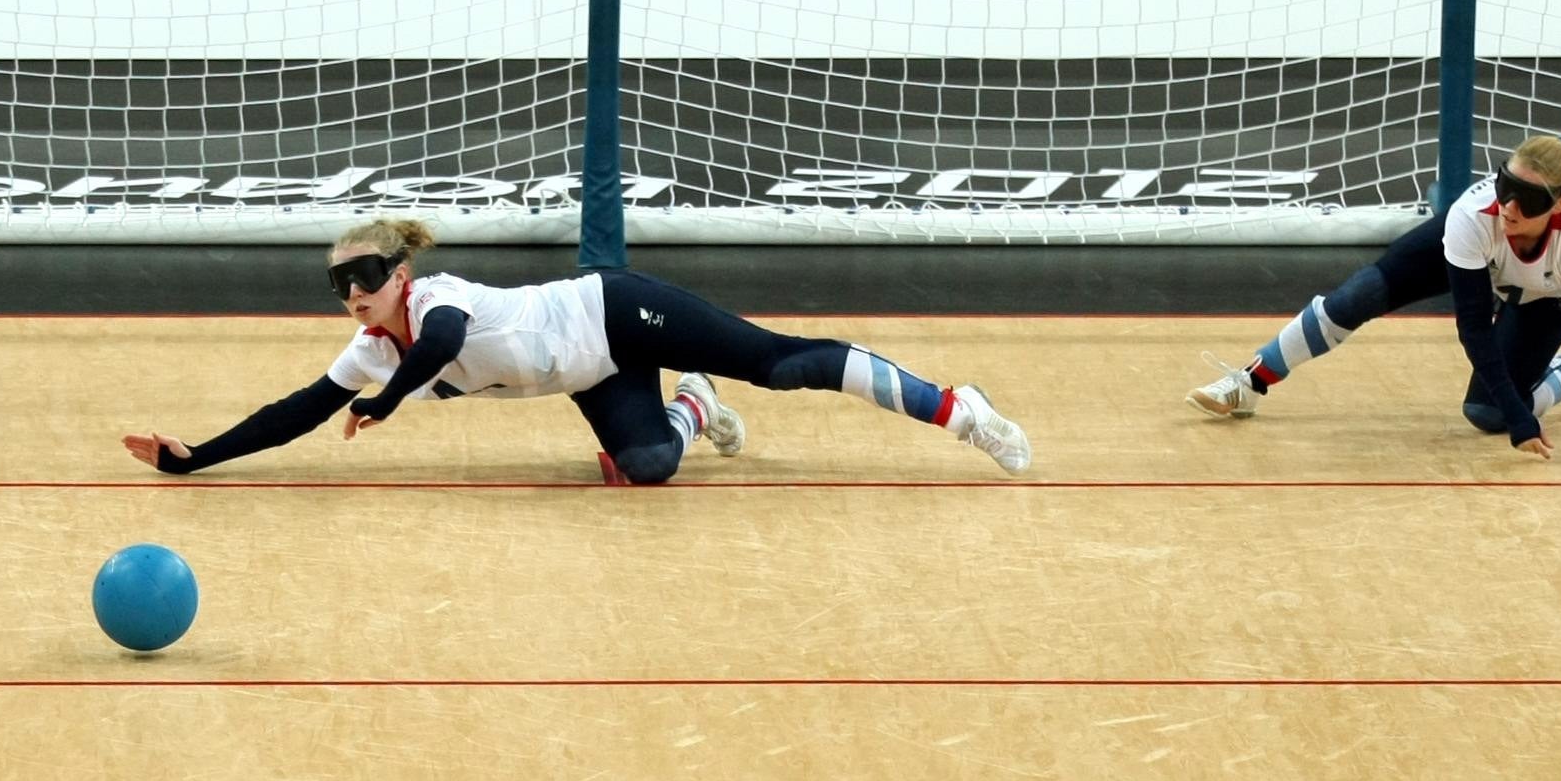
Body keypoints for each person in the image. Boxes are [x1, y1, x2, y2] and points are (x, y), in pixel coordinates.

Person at [117, 216, 1029, 485]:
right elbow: (295, 413)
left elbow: (436, 345)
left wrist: (389, 404)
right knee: (645, 466)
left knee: (782, 362)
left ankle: (959, 408)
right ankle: (692, 406)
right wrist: (190, 459)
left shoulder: (436, 303)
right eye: (339, 287)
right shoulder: (367, 348)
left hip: (618, 314)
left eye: (364, 279)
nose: (353, 298)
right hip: (594, 374)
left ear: (397, 273)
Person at [1187, 120, 1561, 464]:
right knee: (1360, 295)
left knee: (1487, 413)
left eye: (1528, 200)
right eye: (1504, 187)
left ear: (1559, 205)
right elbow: (1473, 327)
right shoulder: (1474, 216)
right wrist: (1524, 420)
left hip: (1544, 297)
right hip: (1478, 260)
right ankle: (1251, 382)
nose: (1510, 208)